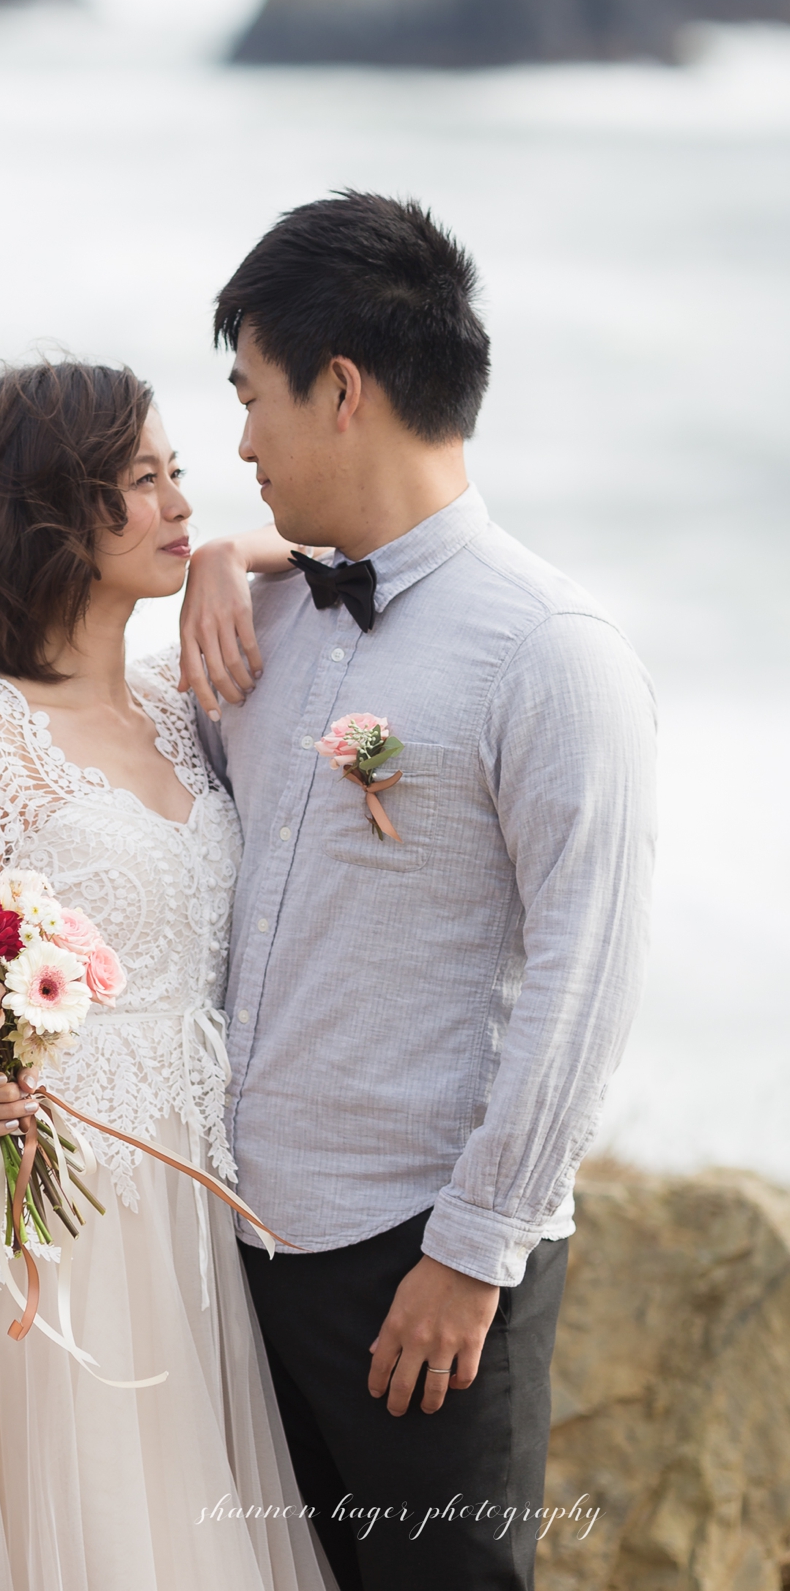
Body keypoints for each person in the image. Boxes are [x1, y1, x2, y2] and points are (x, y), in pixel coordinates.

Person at [172, 191, 656, 1591]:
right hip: (241, 1238)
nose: (240, 442)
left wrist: (474, 1250)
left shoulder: (554, 653)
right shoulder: (253, 617)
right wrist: (218, 557)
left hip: (420, 1258)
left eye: (249, 397)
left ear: (340, 390)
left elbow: (589, 971)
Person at [0, 361, 330, 1591]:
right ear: (52, 520)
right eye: (143, 482)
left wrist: (226, 559)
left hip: (192, 1193)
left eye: (179, 471)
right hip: (53, 1213)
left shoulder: (186, 702)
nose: (181, 501)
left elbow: (332, 537)